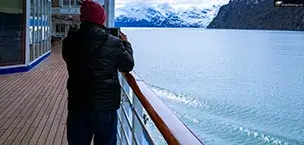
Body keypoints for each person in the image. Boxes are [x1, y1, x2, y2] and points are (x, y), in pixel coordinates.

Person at [61, 0, 134, 145]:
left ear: (82, 18)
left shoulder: (69, 41)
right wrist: (126, 43)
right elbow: (127, 65)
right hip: (105, 109)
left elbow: (67, 59)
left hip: (78, 105)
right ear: (102, 19)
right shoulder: (114, 43)